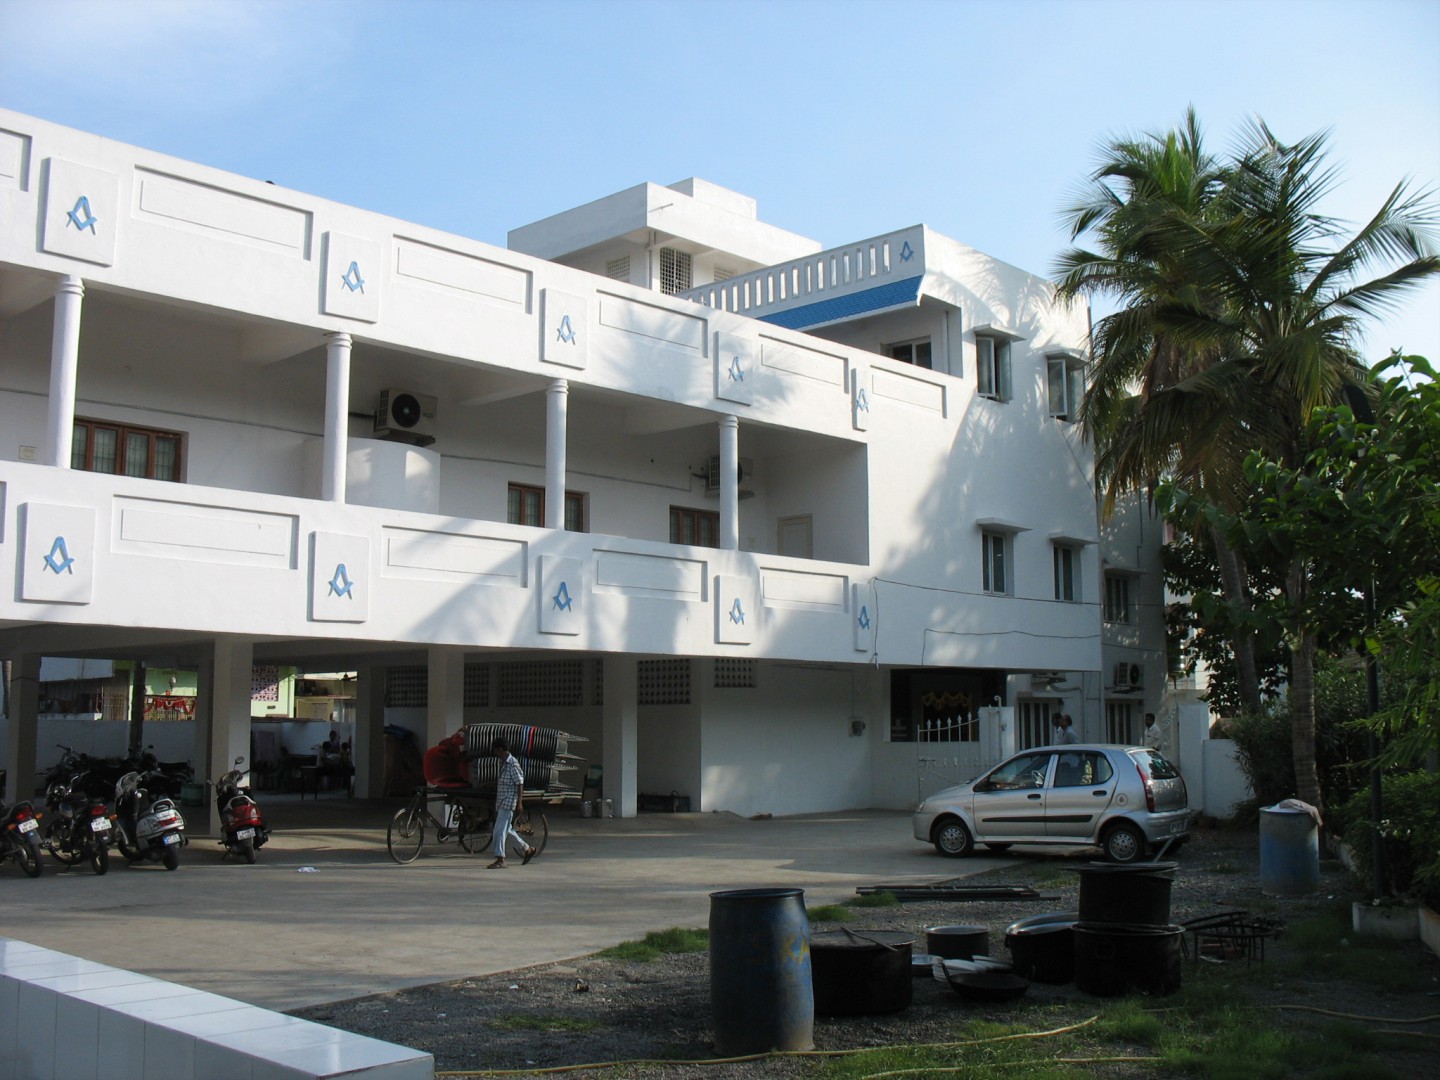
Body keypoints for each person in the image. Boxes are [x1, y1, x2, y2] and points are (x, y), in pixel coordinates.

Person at [488, 737, 536, 869]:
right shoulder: (502, 762)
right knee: (507, 830)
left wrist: (519, 803)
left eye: (496, 750)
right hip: (502, 801)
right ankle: (527, 849)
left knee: (498, 831)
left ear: (501, 749)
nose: (495, 752)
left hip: (508, 803)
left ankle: (500, 859)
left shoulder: (512, 763)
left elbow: (519, 783)